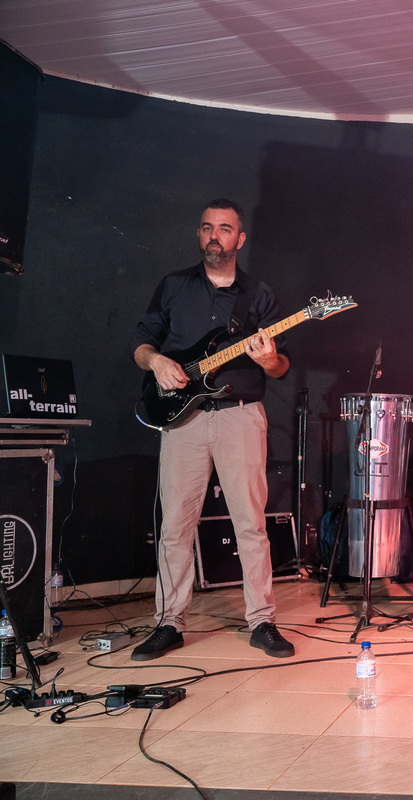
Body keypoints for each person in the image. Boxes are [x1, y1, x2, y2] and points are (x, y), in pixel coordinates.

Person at [129, 198, 295, 661]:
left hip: (240, 414)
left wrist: (269, 360)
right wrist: (157, 360)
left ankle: (262, 621)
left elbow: (281, 367)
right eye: (207, 228)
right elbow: (141, 342)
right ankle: (169, 623)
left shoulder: (257, 293)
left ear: (240, 239)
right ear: (199, 235)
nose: (214, 236)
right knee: (175, 526)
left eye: (224, 229)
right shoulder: (174, 286)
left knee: (250, 523)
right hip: (182, 418)